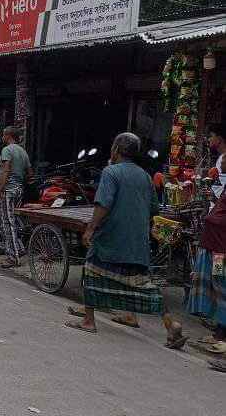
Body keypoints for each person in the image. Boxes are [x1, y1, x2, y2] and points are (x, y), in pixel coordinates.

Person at [65, 133, 186, 349]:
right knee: (144, 284)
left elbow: (103, 204)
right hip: (137, 241)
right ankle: (171, 324)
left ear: (116, 150)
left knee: (91, 271)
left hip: (111, 237)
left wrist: (90, 228)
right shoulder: (145, 176)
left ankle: (88, 321)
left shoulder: (111, 172)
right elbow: (154, 209)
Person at [187, 189, 226, 366]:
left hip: (221, 251)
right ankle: (219, 332)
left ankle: (221, 334)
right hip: (215, 248)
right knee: (217, 288)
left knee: (221, 289)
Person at [0, 126, 33, 267]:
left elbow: (6, 170)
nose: (2, 137)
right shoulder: (23, 151)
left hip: (8, 191)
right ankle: (19, 248)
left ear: (9, 135)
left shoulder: (7, 150)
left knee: (8, 223)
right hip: (18, 190)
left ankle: (13, 257)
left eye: (3, 135)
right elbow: (30, 173)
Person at [208, 124, 226, 198]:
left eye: (211, 136)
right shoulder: (221, 158)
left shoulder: (224, 160)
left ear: (219, 139)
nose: (209, 139)